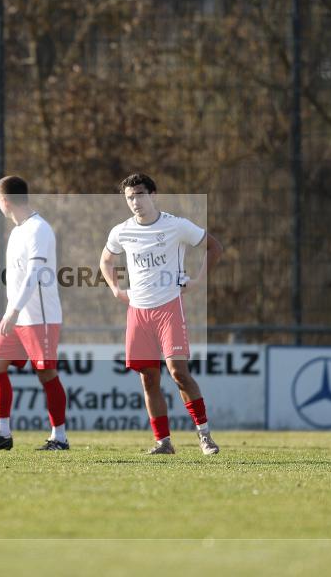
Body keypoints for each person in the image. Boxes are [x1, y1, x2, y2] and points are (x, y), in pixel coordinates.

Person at [99, 173, 223, 455]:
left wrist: (198, 281)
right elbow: (106, 260)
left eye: (140, 195)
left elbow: (215, 247)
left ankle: (204, 435)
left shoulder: (176, 226)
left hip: (168, 309)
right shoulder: (122, 231)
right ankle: (163, 442)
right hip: (138, 312)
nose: (135, 202)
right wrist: (116, 290)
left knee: (179, 373)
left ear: (153, 195)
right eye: (130, 197)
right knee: (148, 379)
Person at [0, 176, 68, 452]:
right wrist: (11, 312)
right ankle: (2, 433)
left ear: (4, 201)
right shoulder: (17, 231)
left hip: (41, 318)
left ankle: (59, 437)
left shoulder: (39, 229)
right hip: (16, 317)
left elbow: (35, 274)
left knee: (46, 373)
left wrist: (13, 310)